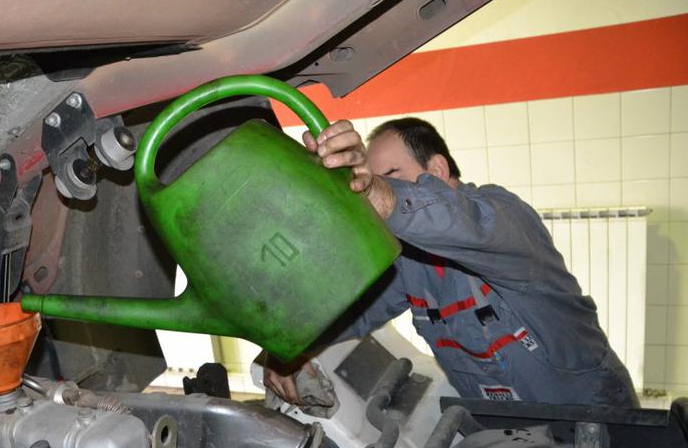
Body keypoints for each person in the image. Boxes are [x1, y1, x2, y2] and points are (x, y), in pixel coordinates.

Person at [264, 117, 638, 408]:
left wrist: (377, 191)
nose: (378, 189)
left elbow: (460, 222)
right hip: (510, 435)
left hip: (598, 418)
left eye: (390, 175)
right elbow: (351, 309)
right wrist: (288, 346)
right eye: (376, 180)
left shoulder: (502, 216)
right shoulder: (407, 261)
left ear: (438, 170)